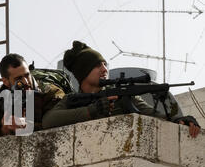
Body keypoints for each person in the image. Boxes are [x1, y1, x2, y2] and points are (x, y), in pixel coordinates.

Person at [42, 41, 201, 138]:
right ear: (83, 71)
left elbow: (150, 113)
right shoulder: (72, 99)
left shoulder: (119, 94)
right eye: (98, 65)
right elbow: (49, 120)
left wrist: (178, 121)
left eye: (105, 64)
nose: (104, 69)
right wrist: (91, 111)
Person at [0, 53, 66, 139]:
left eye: (27, 75)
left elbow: (58, 123)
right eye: (18, 78)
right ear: (5, 81)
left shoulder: (50, 92)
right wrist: (3, 129)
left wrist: (26, 126)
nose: (25, 82)